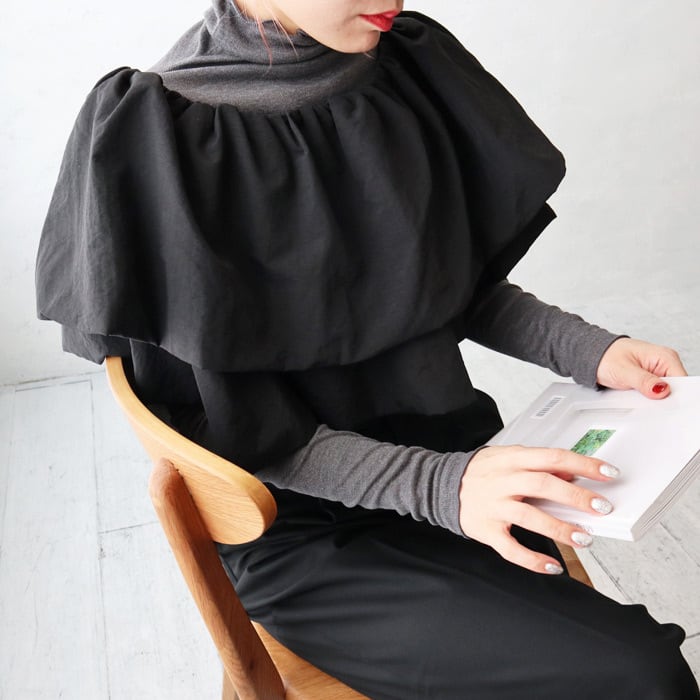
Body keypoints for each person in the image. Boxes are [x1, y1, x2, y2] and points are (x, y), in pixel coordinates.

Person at [36, 1, 699, 697]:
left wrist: (592, 350)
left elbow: (441, 289)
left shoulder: (400, 67)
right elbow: (230, 429)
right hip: (309, 532)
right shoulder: (160, 141)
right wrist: (443, 487)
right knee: (638, 671)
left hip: (460, 466)